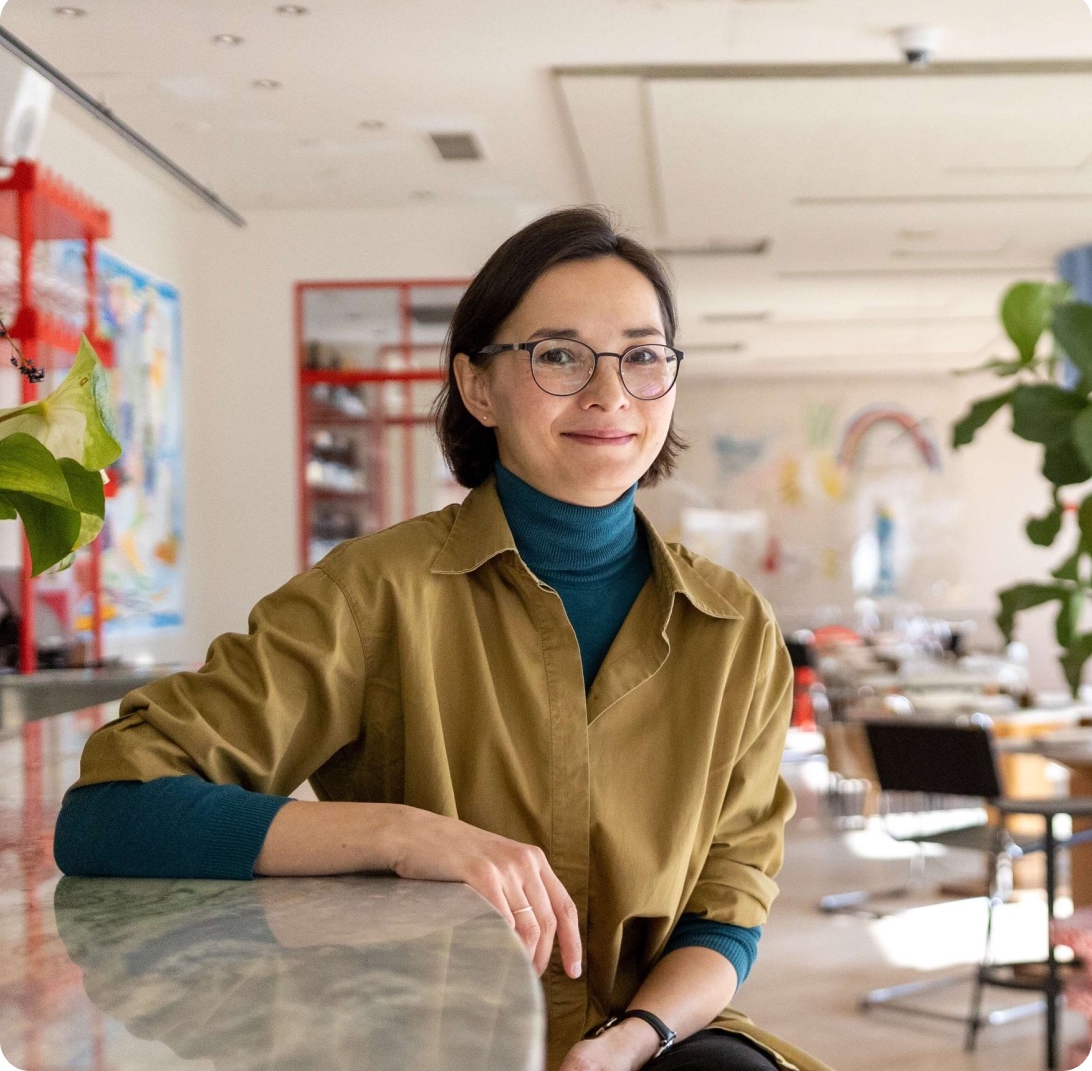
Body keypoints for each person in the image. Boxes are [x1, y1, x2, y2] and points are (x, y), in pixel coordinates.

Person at [54, 207, 832, 1071]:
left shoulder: (735, 630)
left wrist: (630, 1042)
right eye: (559, 355)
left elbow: (728, 908)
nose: (609, 393)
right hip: (418, 1040)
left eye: (643, 356)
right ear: (479, 387)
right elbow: (111, 812)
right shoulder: (373, 594)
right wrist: (404, 835)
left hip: (653, 1046)